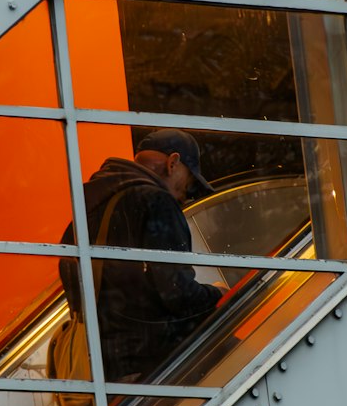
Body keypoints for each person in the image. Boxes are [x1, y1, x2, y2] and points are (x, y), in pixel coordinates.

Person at [58, 129, 223, 385]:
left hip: (105, 367)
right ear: (173, 163)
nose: (184, 197)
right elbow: (177, 291)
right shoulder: (156, 201)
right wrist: (218, 294)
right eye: (189, 186)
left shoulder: (92, 204)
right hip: (150, 363)